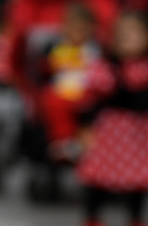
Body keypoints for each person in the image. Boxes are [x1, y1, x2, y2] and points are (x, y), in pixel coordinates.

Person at [77, 10, 148, 226]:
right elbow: (90, 100)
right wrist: (85, 128)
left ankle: (137, 219)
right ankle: (92, 217)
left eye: (134, 35)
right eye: (122, 35)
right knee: (99, 176)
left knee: (141, 177)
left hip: (142, 134)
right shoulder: (105, 68)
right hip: (112, 132)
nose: (127, 40)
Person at [38, 3, 101, 161]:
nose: (77, 32)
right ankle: (64, 140)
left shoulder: (94, 49)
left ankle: (87, 140)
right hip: (63, 91)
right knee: (50, 100)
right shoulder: (56, 47)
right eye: (73, 27)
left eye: (82, 28)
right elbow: (46, 70)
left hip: (87, 91)